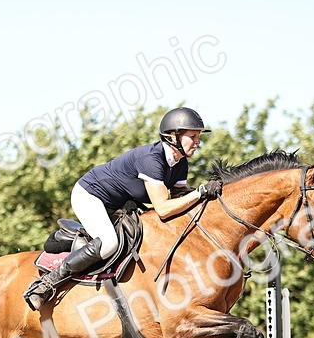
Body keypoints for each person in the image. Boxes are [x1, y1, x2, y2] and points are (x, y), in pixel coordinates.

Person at [24, 107, 223, 310]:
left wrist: (207, 195)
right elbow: (163, 208)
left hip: (119, 202)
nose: (198, 141)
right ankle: (46, 283)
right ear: (173, 136)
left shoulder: (180, 163)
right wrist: (199, 192)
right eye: (193, 136)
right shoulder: (152, 160)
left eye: (198, 136)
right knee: (110, 243)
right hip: (91, 195)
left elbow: (179, 196)